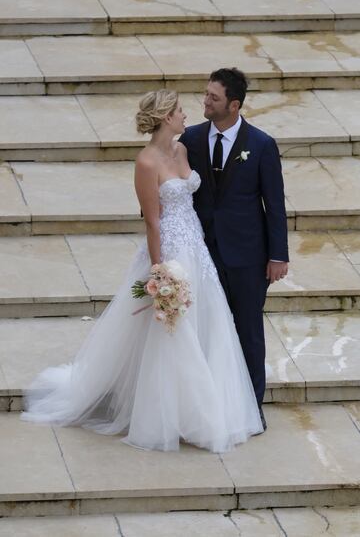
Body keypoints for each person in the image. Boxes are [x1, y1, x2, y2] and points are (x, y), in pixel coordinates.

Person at [21, 89, 263, 453]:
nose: (187, 115)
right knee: (171, 335)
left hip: (196, 246)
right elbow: (153, 222)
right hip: (169, 250)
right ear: (167, 117)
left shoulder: (182, 150)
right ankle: (170, 413)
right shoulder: (146, 163)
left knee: (208, 323)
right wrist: (161, 272)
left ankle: (207, 407)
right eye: (180, 111)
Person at [179, 68, 289, 429]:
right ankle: (209, 407)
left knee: (248, 332)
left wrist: (278, 256)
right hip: (202, 253)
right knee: (206, 330)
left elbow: (274, 204)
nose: (205, 101)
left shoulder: (261, 145)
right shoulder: (191, 139)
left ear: (234, 104)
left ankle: (251, 410)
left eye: (213, 97)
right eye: (206, 94)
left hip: (247, 257)